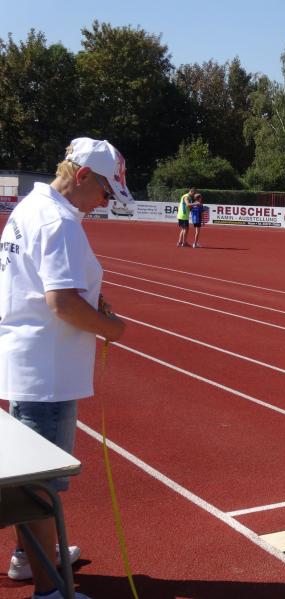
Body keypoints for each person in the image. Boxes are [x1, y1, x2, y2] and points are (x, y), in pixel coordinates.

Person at [0, 137, 129, 599]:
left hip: (30, 362)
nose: (105, 202)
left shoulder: (31, 208)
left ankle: (28, 557)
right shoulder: (60, 222)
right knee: (41, 487)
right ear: (83, 176)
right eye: (105, 192)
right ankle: (50, 591)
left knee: (30, 477)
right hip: (48, 372)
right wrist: (112, 328)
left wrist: (92, 299)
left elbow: (47, 286)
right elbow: (62, 303)